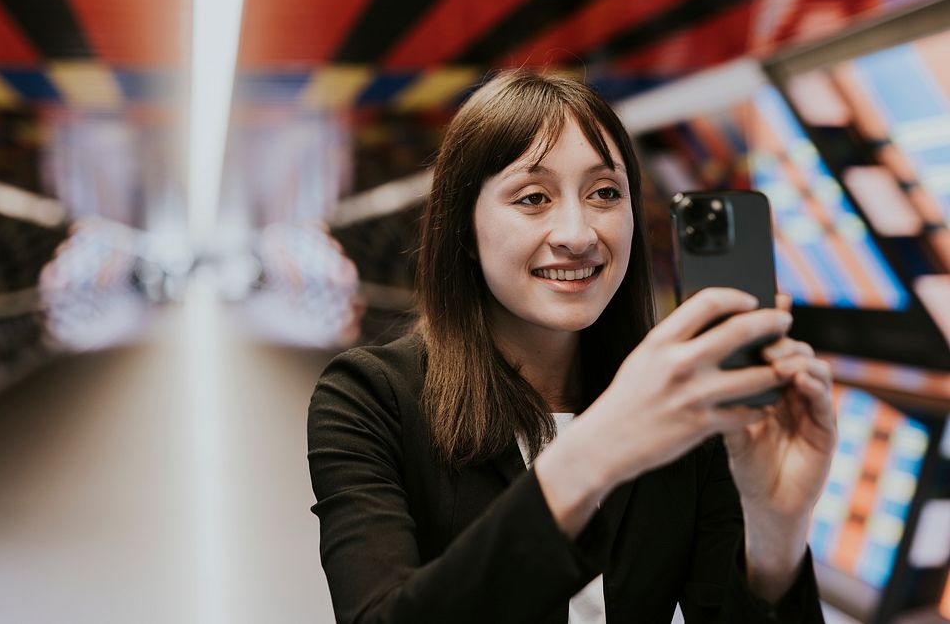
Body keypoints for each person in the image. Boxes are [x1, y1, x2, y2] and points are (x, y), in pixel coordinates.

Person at [307, 70, 836, 624]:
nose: (578, 233)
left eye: (605, 193)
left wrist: (776, 528)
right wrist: (597, 449)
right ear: (463, 229)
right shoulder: (368, 399)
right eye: (533, 197)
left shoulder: (685, 405)